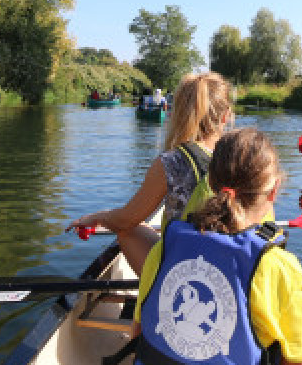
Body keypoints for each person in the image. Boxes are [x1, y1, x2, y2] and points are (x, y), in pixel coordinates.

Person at [127, 127, 302, 365]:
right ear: (274, 191)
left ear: (211, 182)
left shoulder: (166, 246)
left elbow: (139, 336)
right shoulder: (280, 267)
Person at [67, 72, 236, 273]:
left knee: (128, 231)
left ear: (177, 112)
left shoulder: (172, 161)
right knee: (142, 227)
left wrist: (98, 217)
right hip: (232, 269)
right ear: (226, 115)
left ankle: (155, 296)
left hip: (186, 275)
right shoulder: (243, 160)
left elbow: (125, 220)